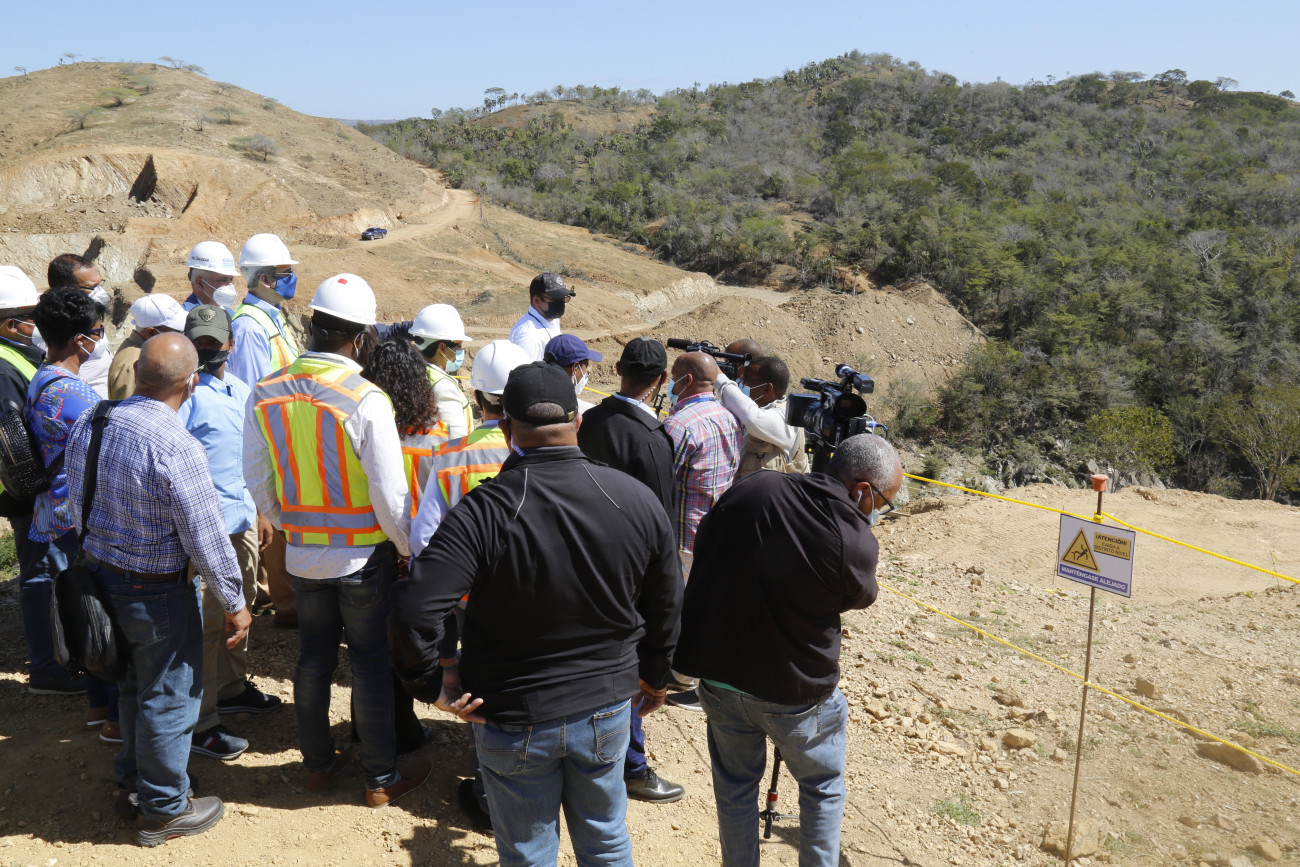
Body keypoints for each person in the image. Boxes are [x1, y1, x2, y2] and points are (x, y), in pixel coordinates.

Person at [390, 361, 684, 867]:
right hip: (606, 705)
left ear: (507, 429)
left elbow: (413, 608)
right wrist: (655, 677)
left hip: (512, 711)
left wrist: (433, 684)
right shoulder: (634, 497)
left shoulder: (484, 510)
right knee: (607, 840)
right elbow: (667, 601)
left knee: (528, 852)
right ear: (579, 422)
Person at [674, 433, 902, 867]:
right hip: (796, 693)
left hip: (719, 677)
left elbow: (707, 543)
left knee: (735, 788)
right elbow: (858, 596)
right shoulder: (852, 539)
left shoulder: (755, 485)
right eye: (883, 503)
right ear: (861, 491)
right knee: (822, 787)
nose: (878, 513)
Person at [244, 273, 428, 807]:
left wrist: (287, 520)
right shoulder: (364, 397)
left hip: (302, 555)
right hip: (362, 557)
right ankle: (380, 779)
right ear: (362, 337)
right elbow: (390, 493)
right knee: (369, 664)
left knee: (312, 659)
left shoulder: (266, 390)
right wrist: (406, 548)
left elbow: (254, 472)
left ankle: (318, 768)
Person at [65, 333, 253, 846]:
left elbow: (76, 496)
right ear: (191, 384)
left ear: (138, 373)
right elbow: (205, 535)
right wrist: (234, 602)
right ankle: (164, 809)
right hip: (155, 592)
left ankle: (135, 777)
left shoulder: (95, 419)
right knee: (169, 697)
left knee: (131, 683)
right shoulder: (177, 445)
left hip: (100, 576)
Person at [575, 336, 684, 804]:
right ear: (662, 379)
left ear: (617, 369)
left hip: (580, 559)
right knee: (627, 666)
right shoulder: (652, 438)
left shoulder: (590, 421)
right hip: (630, 573)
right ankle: (632, 766)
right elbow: (659, 521)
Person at [179, 305, 282, 763]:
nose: (206, 349)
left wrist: (261, 510)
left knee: (242, 605)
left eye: (213, 342)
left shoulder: (241, 390)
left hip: (242, 523)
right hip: (206, 530)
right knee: (206, 623)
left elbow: (252, 458)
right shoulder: (185, 397)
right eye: (198, 342)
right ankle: (201, 723)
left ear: (230, 343)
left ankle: (232, 687)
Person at [24, 288, 119, 729]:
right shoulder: (74, 394)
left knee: (85, 607)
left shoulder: (42, 378)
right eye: (97, 332)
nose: (100, 339)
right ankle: (113, 715)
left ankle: (98, 708)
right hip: (79, 515)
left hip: (55, 511)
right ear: (81, 340)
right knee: (105, 613)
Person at [0, 269, 92, 702]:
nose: (37, 323)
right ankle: (48, 668)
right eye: (29, 316)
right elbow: (13, 438)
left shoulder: (23, 358)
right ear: (10, 323)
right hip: (33, 493)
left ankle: (62, 658)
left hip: (40, 491)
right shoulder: (5, 368)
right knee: (42, 579)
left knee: (52, 576)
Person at [230, 232, 300, 628]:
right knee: (276, 523)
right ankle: (287, 607)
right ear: (266, 279)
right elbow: (253, 394)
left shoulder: (273, 317)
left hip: (288, 435)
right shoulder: (250, 327)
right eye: (285, 273)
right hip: (272, 441)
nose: (292, 279)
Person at [662, 351, 746, 574]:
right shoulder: (730, 418)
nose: (671, 384)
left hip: (684, 540)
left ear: (687, 380)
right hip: (715, 534)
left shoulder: (678, 425)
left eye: (674, 378)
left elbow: (660, 481)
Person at [715, 355, 808, 478]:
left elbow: (751, 418)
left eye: (746, 382)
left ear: (768, 388)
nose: (741, 385)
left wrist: (718, 377)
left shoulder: (785, 418)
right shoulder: (760, 408)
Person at [47, 253, 113, 397]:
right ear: (66, 289)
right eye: (92, 287)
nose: (100, 292)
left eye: (99, 284)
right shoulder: (55, 329)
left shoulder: (87, 316)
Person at [407, 303, 473, 440]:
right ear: (442, 348)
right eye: (458, 346)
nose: (460, 351)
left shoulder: (410, 371)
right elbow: (456, 441)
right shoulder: (443, 387)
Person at [107, 295, 188, 399]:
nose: (182, 337)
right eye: (178, 332)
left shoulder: (148, 352)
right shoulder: (132, 366)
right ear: (150, 332)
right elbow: (129, 406)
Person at [509, 272, 574, 361]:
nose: (560, 303)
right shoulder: (529, 338)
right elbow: (525, 370)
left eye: (563, 298)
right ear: (537, 301)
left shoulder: (552, 319)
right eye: (555, 299)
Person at [543, 333, 601, 414]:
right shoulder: (585, 412)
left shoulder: (531, 397)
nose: (585, 374)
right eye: (585, 367)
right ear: (575, 367)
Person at [182, 241, 242, 310]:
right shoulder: (186, 315)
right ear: (200, 284)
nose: (229, 285)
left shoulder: (229, 313)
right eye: (223, 280)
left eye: (231, 280)